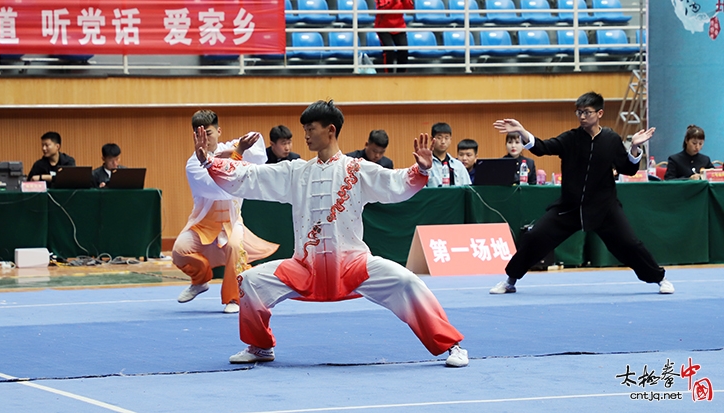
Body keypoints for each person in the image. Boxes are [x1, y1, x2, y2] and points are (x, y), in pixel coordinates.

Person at [194, 100, 468, 367]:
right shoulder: (296, 171)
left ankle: (451, 345)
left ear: (331, 130)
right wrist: (210, 164)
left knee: (408, 282)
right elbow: (252, 176)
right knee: (251, 281)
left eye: (311, 129)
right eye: (304, 130)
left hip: (353, 264)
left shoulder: (356, 170)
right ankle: (261, 347)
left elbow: (396, 182)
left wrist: (420, 169)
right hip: (303, 266)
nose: (306, 136)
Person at [489, 92, 674, 295]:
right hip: (569, 207)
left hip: (604, 208)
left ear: (600, 113)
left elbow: (628, 169)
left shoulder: (611, 139)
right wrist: (523, 131)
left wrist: (635, 147)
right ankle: (510, 281)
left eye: (587, 112)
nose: (582, 116)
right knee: (535, 238)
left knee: (630, 244)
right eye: (579, 112)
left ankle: (660, 278)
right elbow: (542, 147)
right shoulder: (571, 138)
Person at [173, 110, 279, 314]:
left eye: (208, 133)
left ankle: (234, 298)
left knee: (233, 246)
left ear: (219, 131)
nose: (203, 139)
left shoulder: (228, 148)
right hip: (203, 223)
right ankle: (200, 280)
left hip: (232, 222)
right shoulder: (193, 164)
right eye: (198, 134)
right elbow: (221, 187)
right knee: (179, 251)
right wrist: (236, 153)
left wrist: (234, 149)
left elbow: (257, 146)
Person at [375, 0, 413, 73]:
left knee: (404, 51)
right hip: (384, 27)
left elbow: (410, 8)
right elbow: (381, 10)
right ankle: (389, 75)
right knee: (389, 51)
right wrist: (394, 0)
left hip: (399, 26)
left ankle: (401, 76)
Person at [428, 123, 471, 187]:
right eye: (439, 138)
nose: (443, 141)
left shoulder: (458, 166)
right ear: (432, 139)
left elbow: (468, 189)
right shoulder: (424, 166)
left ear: (450, 140)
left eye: (446, 138)